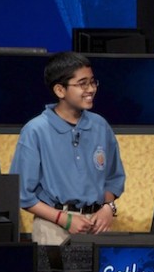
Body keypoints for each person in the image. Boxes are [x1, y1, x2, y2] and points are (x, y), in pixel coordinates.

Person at [10, 51, 126, 246]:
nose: (91, 89)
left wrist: (108, 208)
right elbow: (22, 194)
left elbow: (114, 178)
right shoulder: (36, 130)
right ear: (60, 90)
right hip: (53, 226)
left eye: (93, 82)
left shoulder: (100, 125)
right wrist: (64, 219)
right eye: (82, 84)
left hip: (96, 225)